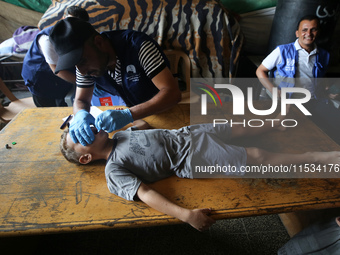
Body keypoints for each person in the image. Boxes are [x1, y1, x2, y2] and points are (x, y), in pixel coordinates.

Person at [59, 115, 340, 232]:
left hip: (188, 134)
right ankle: (316, 158)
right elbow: (144, 193)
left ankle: (273, 123)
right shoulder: (113, 169)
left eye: (83, 127)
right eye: (81, 137)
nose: (89, 130)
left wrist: (121, 116)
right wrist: (186, 214)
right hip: (192, 156)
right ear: (85, 158)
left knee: (234, 127)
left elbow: (144, 124)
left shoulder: (119, 135)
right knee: (257, 156)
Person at [50, 17, 182, 147]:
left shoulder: (139, 47)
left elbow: (172, 93)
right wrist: (80, 114)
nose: (82, 71)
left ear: (99, 42)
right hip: (137, 114)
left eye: (82, 61)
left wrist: (128, 114)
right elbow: (81, 100)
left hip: (166, 109)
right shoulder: (85, 67)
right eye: (75, 65)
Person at [256, 14, 340, 144]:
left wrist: (327, 89)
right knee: (291, 136)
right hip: (288, 101)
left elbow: (320, 76)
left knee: (336, 123)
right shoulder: (282, 51)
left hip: (314, 100)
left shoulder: (323, 55)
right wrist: (272, 90)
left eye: (313, 29)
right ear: (297, 33)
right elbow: (260, 70)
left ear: (318, 32)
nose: (309, 33)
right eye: (304, 30)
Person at [21, 6, 90, 107]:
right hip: (40, 77)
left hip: (59, 76)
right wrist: (87, 83)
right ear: (63, 18)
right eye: (70, 22)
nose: (74, 27)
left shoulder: (81, 33)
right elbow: (58, 71)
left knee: (65, 103)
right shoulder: (48, 40)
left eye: (78, 24)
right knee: (49, 111)